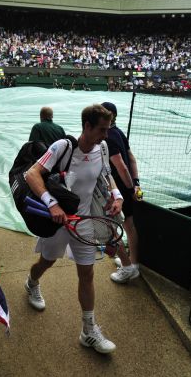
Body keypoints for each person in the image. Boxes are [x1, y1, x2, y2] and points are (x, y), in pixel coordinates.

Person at [24, 104, 123, 354]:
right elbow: (31, 174)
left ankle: (88, 331)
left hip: (85, 221)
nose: (106, 134)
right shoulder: (62, 147)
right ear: (87, 126)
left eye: (108, 129)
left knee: (87, 274)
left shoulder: (103, 147)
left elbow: (106, 175)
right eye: (102, 129)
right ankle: (32, 282)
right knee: (45, 263)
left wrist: (117, 195)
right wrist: (52, 204)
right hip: (59, 222)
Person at [100, 102, 142, 284]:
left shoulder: (108, 137)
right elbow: (131, 158)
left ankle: (129, 267)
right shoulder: (118, 132)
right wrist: (136, 185)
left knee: (116, 225)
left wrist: (130, 189)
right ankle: (134, 263)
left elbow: (121, 166)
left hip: (119, 188)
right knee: (129, 225)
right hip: (128, 187)